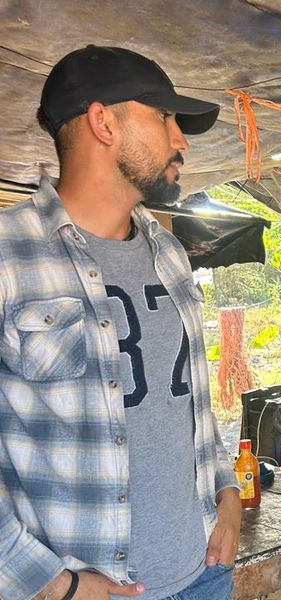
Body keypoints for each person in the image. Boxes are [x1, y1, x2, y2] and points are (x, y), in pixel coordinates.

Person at [0, 46, 240, 600]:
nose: (181, 141)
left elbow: (185, 402)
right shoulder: (11, 257)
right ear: (103, 121)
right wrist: (50, 583)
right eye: (164, 117)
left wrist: (225, 492)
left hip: (202, 575)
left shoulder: (169, 253)